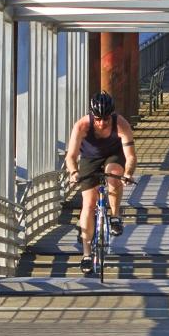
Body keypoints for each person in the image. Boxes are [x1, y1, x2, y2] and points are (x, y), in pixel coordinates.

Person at [65, 91, 137, 275]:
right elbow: (71, 156)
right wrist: (73, 172)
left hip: (113, 155)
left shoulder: (121, 124)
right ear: (92, 116)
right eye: (98, 118)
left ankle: (114, 216)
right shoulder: (82, 126)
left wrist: (128, 173)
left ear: (112, 115)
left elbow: (130, 156)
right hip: (90, 158)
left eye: (106, 118)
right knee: (88, 204)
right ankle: (87, 254)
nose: (102, 123)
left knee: (113, 175)